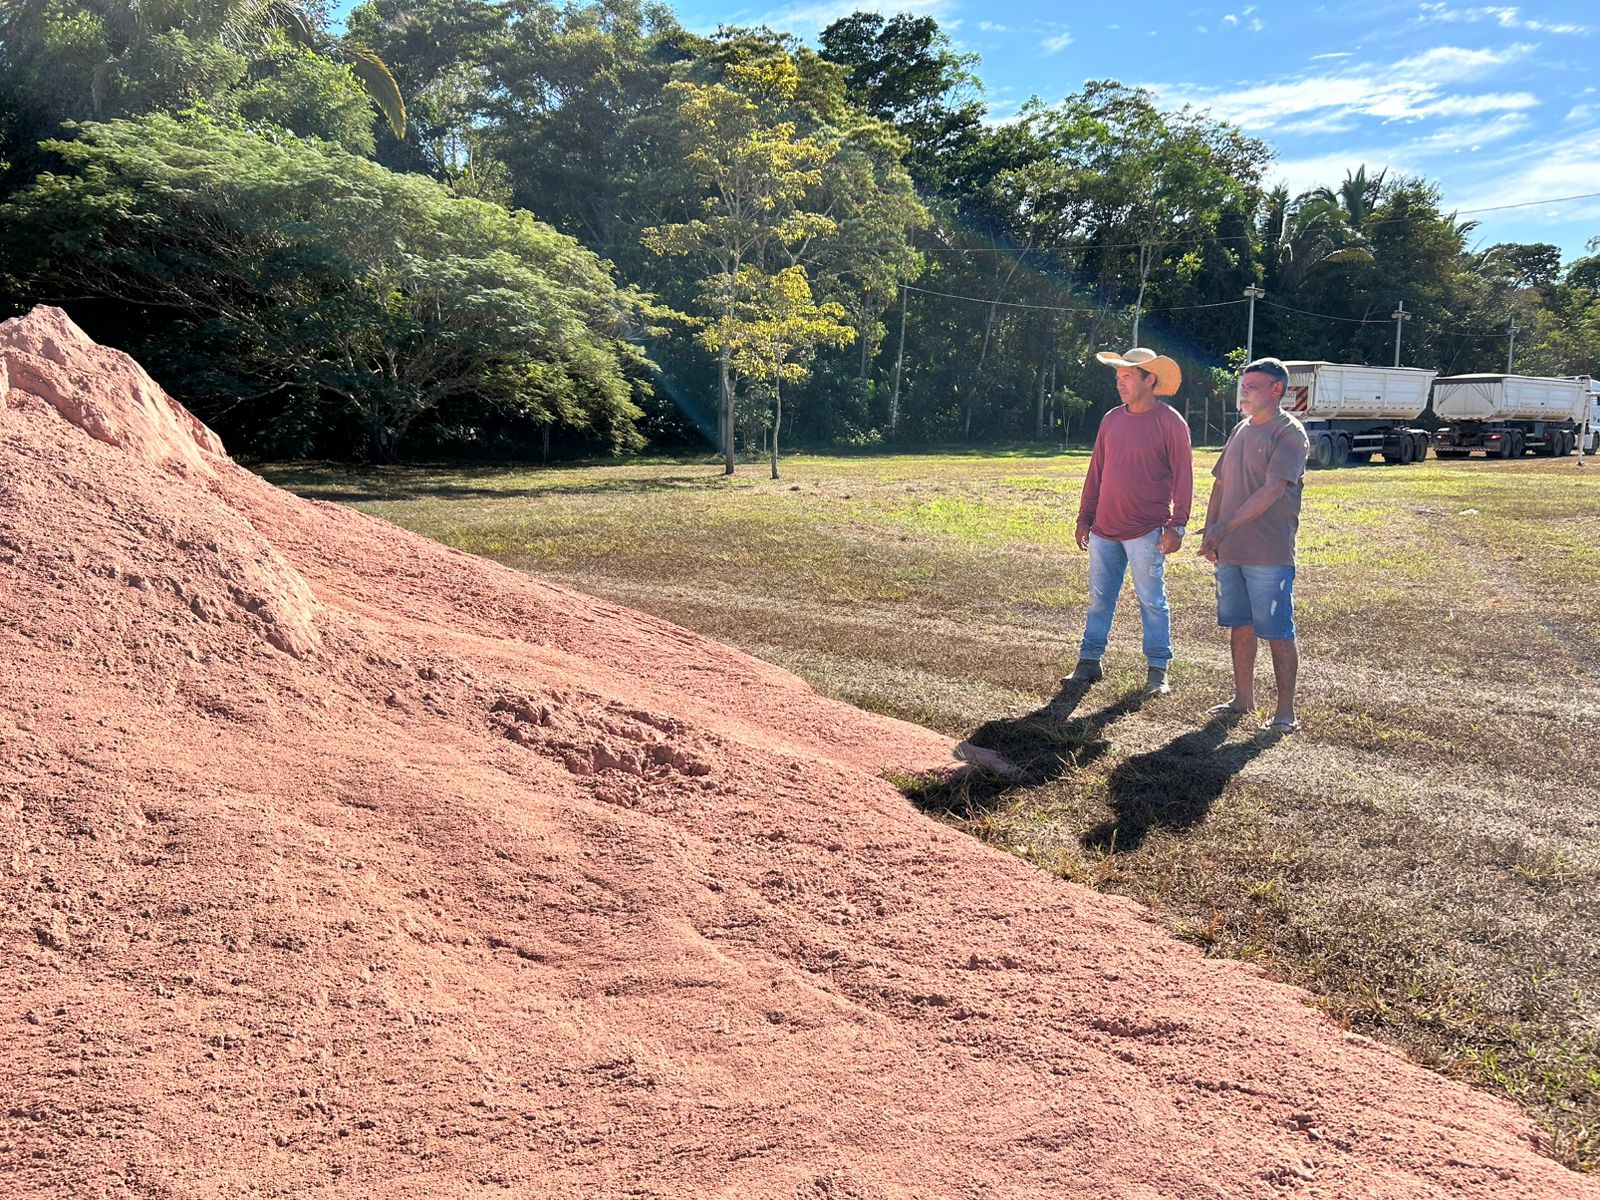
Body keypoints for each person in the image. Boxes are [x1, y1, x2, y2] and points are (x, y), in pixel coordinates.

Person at [1069, 346, 1194, 698]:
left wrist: (1177, 525)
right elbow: (1096, 472)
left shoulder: (1170, 423)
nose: (1120, 383)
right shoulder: (1111, 420)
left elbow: (1184, 477)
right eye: (1118, 377)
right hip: (1104, 529)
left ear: (1149, 379)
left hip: (1147, 530)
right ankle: (1088, 661)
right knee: (1098, 598)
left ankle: (1158, 670)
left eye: (1127, 377)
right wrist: (1085, 517)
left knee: (1152, 600)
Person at [1197, 356, 1310, 733]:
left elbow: (1274, 490)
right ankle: (1243, 699)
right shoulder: (1241, 430)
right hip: (1231, 549)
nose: (1243, 392)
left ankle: (1285, 713)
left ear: (1276, 389)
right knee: (1240, 626)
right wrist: (1211, 529)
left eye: (1251, 386)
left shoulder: (1289, 432)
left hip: (1268, 554)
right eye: (1243, 386)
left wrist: (1224, 526)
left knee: (1277, 631)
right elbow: (1220, 483)